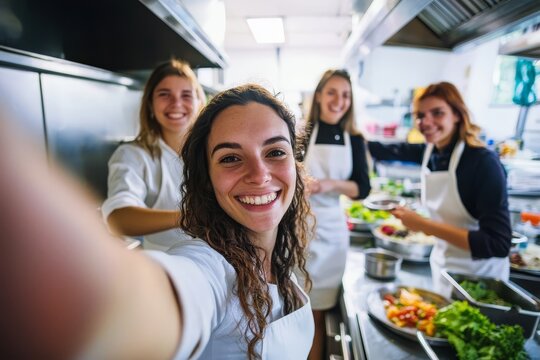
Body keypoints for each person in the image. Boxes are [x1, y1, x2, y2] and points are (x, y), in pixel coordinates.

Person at [1, 84, 315, 359]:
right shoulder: (210, 267)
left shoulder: (281, 260)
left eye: (275, 152)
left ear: (296, 165)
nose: (259, 175)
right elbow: (147, 304)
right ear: (207, 181)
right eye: (230, 158)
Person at [368, 81, 512, 297]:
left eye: (437, 113)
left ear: (456, 114)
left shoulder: (482, 162)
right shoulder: (431, 151)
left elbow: (498, 243)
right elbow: (380, 149)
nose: (426, 122)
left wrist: (423, 225)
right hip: (443, 269)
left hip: (480, 281)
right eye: (420, 115)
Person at [101, 58, 205, 250]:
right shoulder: (132, 155)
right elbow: (117, 218)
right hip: (167, 263)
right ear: (150, 104)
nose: (176, 103)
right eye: (164, 94)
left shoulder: (212, 152)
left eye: (186, 95)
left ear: (200, 103)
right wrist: (187, 218)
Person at [302, 69, 371, 359]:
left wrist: (331, 185)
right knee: (294, 311)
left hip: (331, 232)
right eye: (332, 92)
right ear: (318, 95)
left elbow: (363, 188)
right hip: (297, 231)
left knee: (317, 315)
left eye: (345, 95)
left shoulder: (354, 138)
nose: (339, 100)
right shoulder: (302, 132)